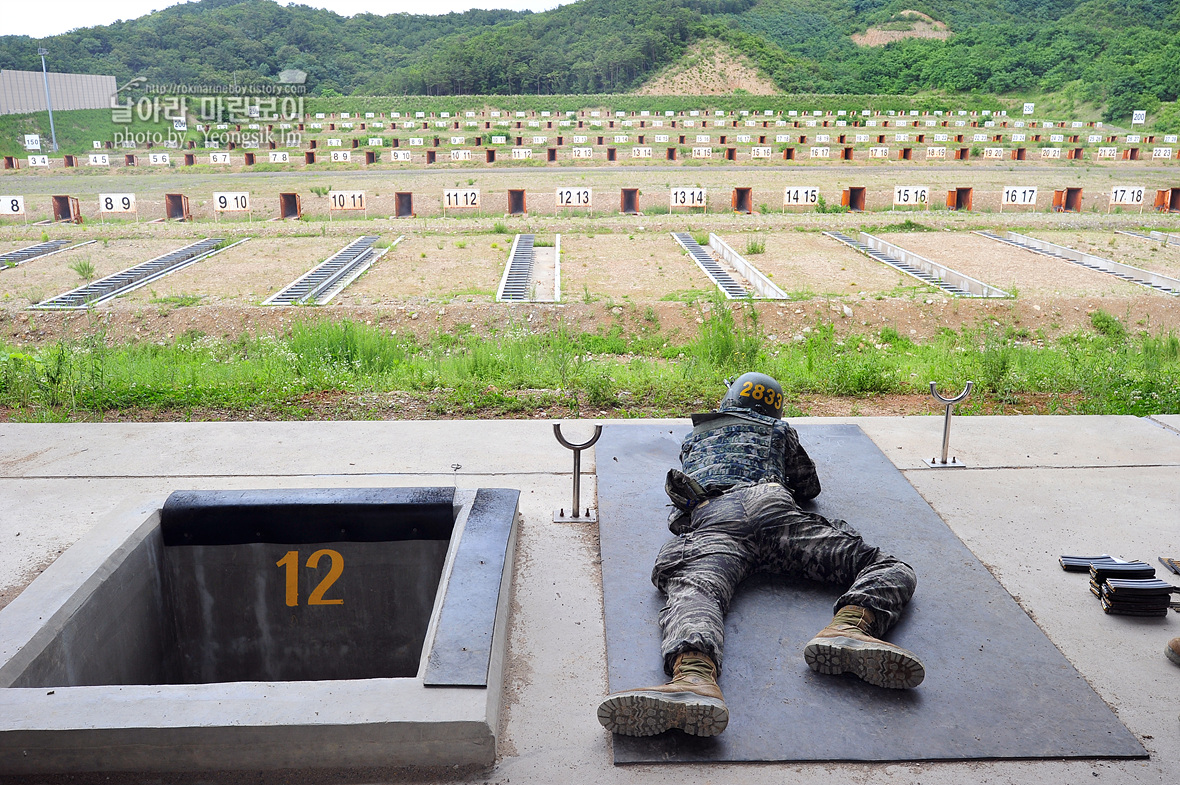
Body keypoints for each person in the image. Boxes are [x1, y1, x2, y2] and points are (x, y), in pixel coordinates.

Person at [597, 372, 925, 738]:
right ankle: (850, 626)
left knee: (698, 591)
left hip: (714, 515)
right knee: (885, 566)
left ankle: (693, 677)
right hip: (771, 507)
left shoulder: (696, 436)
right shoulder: (778, 431)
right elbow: (808, 485)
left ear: (729, 401)